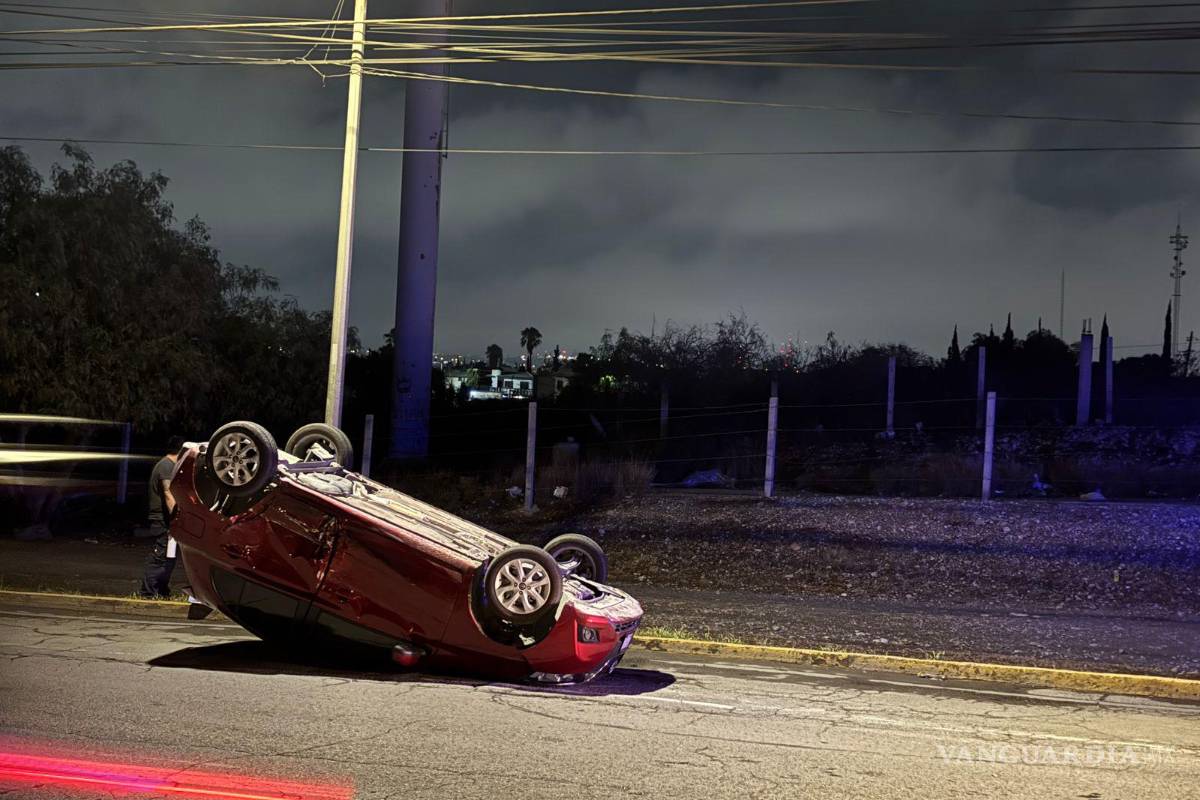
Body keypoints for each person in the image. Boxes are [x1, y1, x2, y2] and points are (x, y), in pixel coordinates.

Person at [137, 436, 186, 599]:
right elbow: (168, 493)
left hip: (167, 520)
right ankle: (148, 592)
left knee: (168, 558)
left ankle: (161, 590)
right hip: (163, 520)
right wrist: (176, 517)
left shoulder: (168, 465)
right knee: (160, 557)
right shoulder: (166, 466)